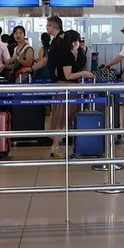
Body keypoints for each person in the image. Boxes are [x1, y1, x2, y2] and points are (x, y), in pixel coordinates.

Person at [47, 29, 94, 157]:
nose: (79, 42)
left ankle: (76, 147)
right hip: (64, 87)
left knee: (73, 117)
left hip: (75, 88)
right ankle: (55, 147)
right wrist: (84, 73)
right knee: (60, 116)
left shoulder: (80, 52)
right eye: (77, 40)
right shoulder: (64, 54)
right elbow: (67, 75)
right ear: (73, 42)